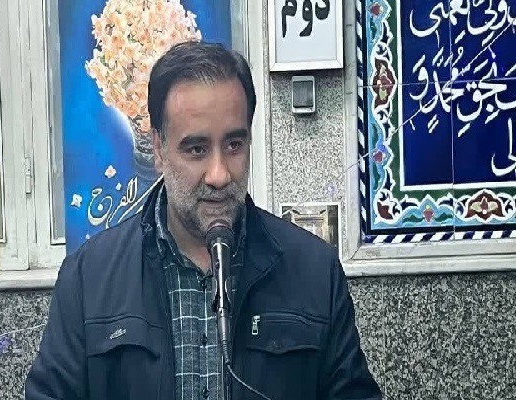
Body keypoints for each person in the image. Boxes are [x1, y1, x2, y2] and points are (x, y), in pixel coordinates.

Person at [25, 41, 382, 400]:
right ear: (159, 149)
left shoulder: (314, 271)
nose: (219, 174)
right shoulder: (89, 278)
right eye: (196, 149)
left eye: (234, 145)